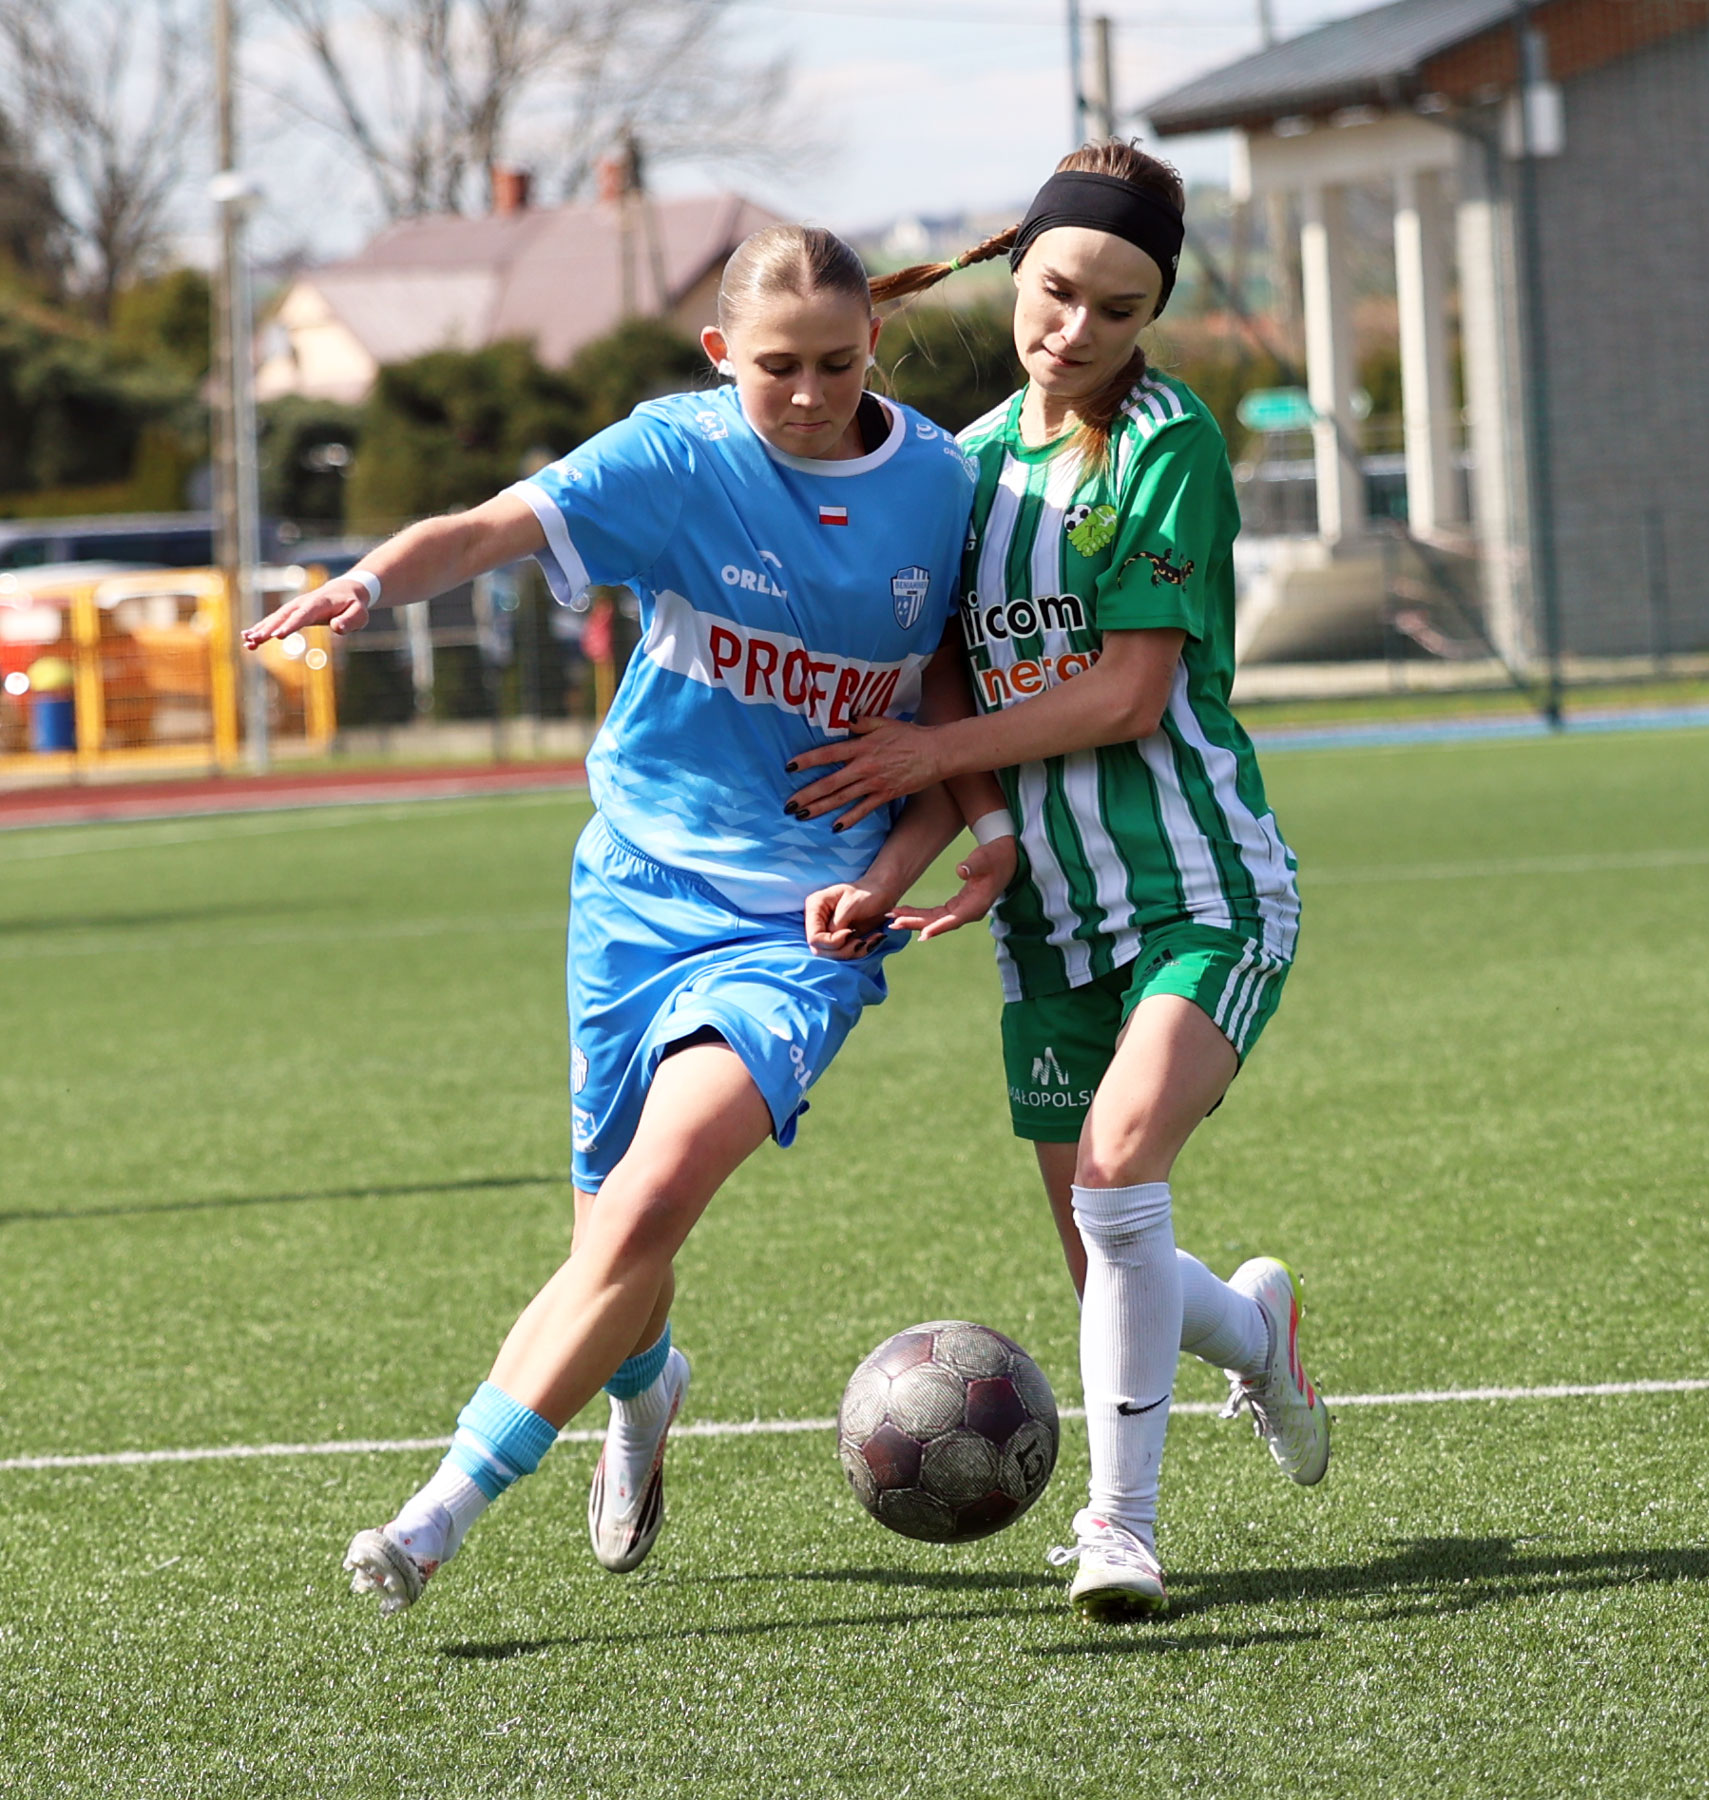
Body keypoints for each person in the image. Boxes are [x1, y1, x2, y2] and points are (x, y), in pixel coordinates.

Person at [245, 224, 1015, 1614]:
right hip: (636, 895)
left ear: (874, 347)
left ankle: (436, 1515)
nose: (807, 393)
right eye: (775, 366)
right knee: (614, 1238)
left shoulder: (943, 485)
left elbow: (947, 713)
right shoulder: (675, 457)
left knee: (650, 1204)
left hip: (801, 930)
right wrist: (368, 580)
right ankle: (647, 1391)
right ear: (720, 356)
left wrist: (909, 865)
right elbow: (489, 528)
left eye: (835, 363)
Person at [794, 143, 1326, 1623]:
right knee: (1109, 1248)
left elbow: (1127, 695)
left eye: (1119, 306)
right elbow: (950, 707)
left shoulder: (1166, 444)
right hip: (1046, 926)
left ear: (1153, 314)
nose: (1077, 327)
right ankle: (1256, 1336)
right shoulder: (957, 470)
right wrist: (903, 866)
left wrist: (931, 754)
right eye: (1056, 292)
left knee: (1116, 1175)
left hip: (1200, 893)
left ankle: (1118, 1528)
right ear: (1016, 270)